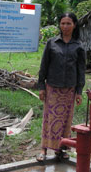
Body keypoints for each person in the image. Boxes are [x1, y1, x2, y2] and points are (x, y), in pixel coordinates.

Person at [36, 12, 85, 162]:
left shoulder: (78, 46)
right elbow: (44, 65)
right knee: (49, 119)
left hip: (69, 89)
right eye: (63, 23)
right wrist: (41, 87)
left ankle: (61, 150)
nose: (65, 26)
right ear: (59, 25)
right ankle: (43, 150)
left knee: (65, 121)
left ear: (74, 25)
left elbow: (80, 70)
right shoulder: (52, 43)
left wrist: (79, 91)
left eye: (68, 23)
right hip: (52, 88)